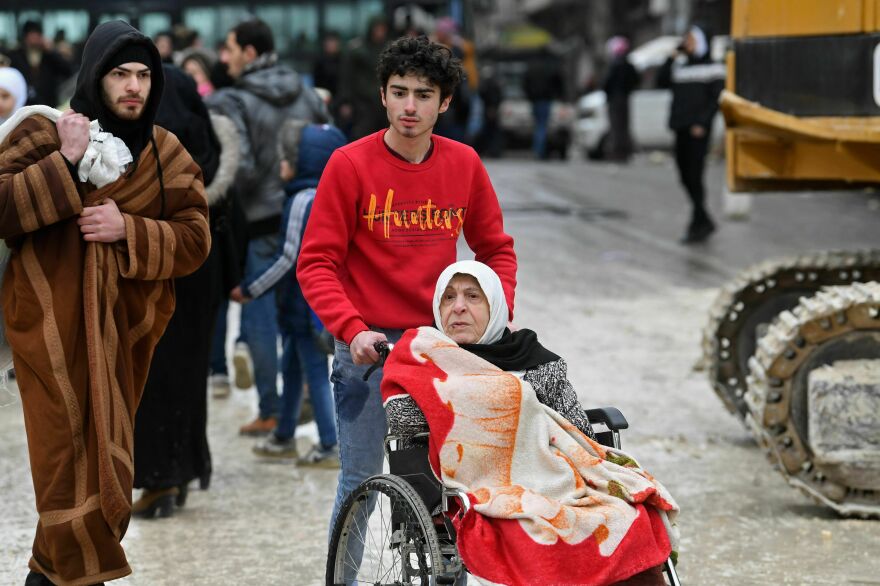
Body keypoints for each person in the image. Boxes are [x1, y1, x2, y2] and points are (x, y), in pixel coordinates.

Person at [0, 20, 210, 585]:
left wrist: (131, 231)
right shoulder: (45, 133)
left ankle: (48, 578)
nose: (133, 86)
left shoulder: (167, 154)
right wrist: (65, 164)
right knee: (61, 462)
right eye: (120, 73)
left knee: (105, 461)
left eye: (144, 74)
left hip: (126, 335)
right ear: (96, 76)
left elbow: (196, 237)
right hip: (48, 331)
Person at [296, 34, 518, 536]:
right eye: (399, 92)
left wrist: (493, 319)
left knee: (451, 485)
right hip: (367, 348)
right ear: (382, 96)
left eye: (423, 94)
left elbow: (496, 250)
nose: (409, 106)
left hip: (439, 345)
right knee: (359, 480)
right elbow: (316, 261)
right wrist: (351, 330)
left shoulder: (463, 164)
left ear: (445, 102)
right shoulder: (349, 164)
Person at [381, 260, 677, 586]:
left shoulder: (536, 362)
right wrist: (467, 393)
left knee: (626, 515)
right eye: (448, 298)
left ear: (495, 307)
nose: (459, 307)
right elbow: (403, 422)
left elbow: (575, 428)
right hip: (469, 491)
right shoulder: (424, 357)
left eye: (472, 297)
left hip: (551, 478)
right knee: (534, 527)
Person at [207, 18, 329, 436]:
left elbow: (238, 167)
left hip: (259, 224)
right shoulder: (309, 94)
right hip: (312, 216)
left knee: (257, 316)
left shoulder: (231, 100)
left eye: (229, 48)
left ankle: (273, 408)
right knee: (303, 315)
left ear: (250, 53)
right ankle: (307, 398)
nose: (224, 58)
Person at [131, 61, 222, 519]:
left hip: (159, 273)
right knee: (189, 377)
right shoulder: (205, 145)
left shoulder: (155, 147)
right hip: (201, 276)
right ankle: (183, 469)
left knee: (153, 378)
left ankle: (160, 479)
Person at [232, 121, 346, 466]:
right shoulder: (327, 196)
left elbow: (288, 259)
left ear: (304, 162)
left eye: (286, 158)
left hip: (302, 305)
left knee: (313, 369)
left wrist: (252, 289)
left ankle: (330, 443)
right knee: (293, 366)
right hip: (311, 307)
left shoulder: (301, 200)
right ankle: (284, 434)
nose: (281, 165)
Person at [657, 25, 725, 244]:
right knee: (684, 175)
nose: (687, 44)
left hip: (697, 131)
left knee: (695, 175)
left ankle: (698, 222)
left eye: (691, 40)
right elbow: (661, 81)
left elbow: (716, 100)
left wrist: (702, 123)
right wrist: (671, 57)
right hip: (680, 127)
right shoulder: (680, 67)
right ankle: (703, 219)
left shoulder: (713, 68)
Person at [337, 15, 391, 140]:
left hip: (384, 101)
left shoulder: (389, 48)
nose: (380, 32)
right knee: (364, 135)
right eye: (377, 29)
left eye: (383, 29)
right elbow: (347, 77)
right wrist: (346, 101)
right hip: (362, 101)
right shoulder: (357, 49)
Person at [7, 20, 73, 107]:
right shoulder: (16, 56)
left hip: (48, 103)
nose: (34, 39)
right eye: (31, 35)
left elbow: (68, 71)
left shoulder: (49, 55)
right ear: (25, 37)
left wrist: (51, 51)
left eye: (37, 35)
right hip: (24, 104)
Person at [523, 46, 564, 160]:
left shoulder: (532, 65)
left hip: (534, 100)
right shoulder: (550, 66)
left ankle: (538, 149)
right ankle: (540, 150)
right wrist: (558, 95)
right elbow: (558, 81)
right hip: (545, 99)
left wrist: (529, 96)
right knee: (542, 125)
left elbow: (525, 82)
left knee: (538, 124)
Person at [603, 36, 639, 162]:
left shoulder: (615, 64)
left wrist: (608, 93)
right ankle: (624, 152)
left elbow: (607, 83)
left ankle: (617, 152)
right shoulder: (629, 65)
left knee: (616, 126)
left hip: (615, 98)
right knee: (624, 126)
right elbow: (636, 80)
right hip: (625, 97)